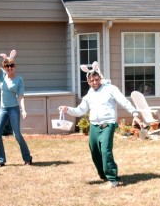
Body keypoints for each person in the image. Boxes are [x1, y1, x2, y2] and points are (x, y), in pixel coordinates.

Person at [59, 61, 142, 189]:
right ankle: (103, 175)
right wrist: (67, 109)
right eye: (91, 81)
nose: (94, 82)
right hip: (94, 125)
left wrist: (134, 113)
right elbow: (80, 110)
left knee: (105, 151)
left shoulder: (111, 89)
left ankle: (113, 179)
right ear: (88, 82)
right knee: (95, 151)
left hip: (108, 124)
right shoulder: (89, 94)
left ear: (100, 78)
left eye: (96, 79)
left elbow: (123, 101)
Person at [0, 42, 32, 167]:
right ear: (4, 67)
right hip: (3, 109)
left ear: (14, 66)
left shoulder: (19, 80)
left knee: (17, 134)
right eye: (7, 66)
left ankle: (27, 158)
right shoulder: (2, 75)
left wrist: (23, 109)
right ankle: (1, 160)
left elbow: (20, 96)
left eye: (11, 65)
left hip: (13, 109)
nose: (9, 68)